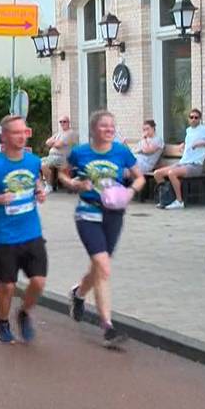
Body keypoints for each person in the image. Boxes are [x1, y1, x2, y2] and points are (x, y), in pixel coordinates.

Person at [61, 111, 144, 347]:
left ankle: (78, 293)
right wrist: (74, 183)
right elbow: (63, 175)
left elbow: (139, 177)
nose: (109, 129)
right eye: (104, 126)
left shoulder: (121, 151)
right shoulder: (80, 152)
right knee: (104, 267)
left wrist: (131, 191)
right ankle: (108, 326)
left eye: (112, 126)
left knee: (99, 266)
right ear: (94, 129)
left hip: (114, 213)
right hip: (88, 212)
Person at [0, 115, 48, 344]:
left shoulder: (34, 161)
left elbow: (36, 181)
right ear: (5, 136)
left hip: (31, 231)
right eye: (16, 132)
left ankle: (24, 313)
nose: (22, 136)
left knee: (39, 282)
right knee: (7, 285)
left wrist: (39, 191)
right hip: (5, 235)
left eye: (24, 132)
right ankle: (3, 321)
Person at [153, 108, 205, 210]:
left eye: (196, 117)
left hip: (195, 165)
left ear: (200, 119)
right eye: (191, 117)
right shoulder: (188, 130)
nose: (193, 119)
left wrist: (202, 143)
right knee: (157, 173)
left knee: (172, 173)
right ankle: (167, 198)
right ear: (188, 119)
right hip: (183, 163)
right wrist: (183, 145)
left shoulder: (204, 130)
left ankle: (179, 201)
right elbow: (190, 142)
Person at [40, 116, 76, 188]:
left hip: (61, 157)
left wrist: (53, 142)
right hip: (52, 157)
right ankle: (43, 184)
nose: (62, 123)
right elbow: (47, 142)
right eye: (61, 122)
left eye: (64, 121)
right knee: (37, 163)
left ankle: (49, 185)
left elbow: (58, 145)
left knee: (43, 165)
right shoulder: (59, 133)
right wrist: (54, 142)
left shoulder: (70, 133)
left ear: (68, 123)